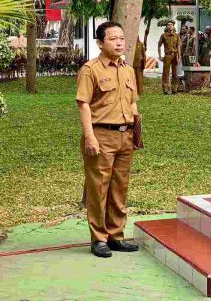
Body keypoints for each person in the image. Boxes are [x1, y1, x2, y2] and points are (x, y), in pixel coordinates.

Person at [76, 21, 139, 258]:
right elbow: (83, 104)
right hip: (101, 134)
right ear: (100, 43)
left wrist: (136, 132)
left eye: (121, 38)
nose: (119, 42)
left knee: (119, 188)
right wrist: (90, 136)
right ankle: (99, 238)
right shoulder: (90, 70)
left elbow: (133, 102)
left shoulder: (128, 69)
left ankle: (116, 235)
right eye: (113, 39)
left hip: (125, 135)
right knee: (99, 188)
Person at [158, 20, 180, 94]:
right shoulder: (163, 35)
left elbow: (178, 46)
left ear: (173, 26)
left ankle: (175, 89)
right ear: (166, 27)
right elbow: (159, 45)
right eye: (168, 25)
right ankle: (166, 89)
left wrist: (179, 56)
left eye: (171, 24)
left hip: (175, 56)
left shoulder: (177, 35)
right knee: (166, 73)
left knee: (175, 73)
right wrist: (160, 56)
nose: (170, 26)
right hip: (167, 56)